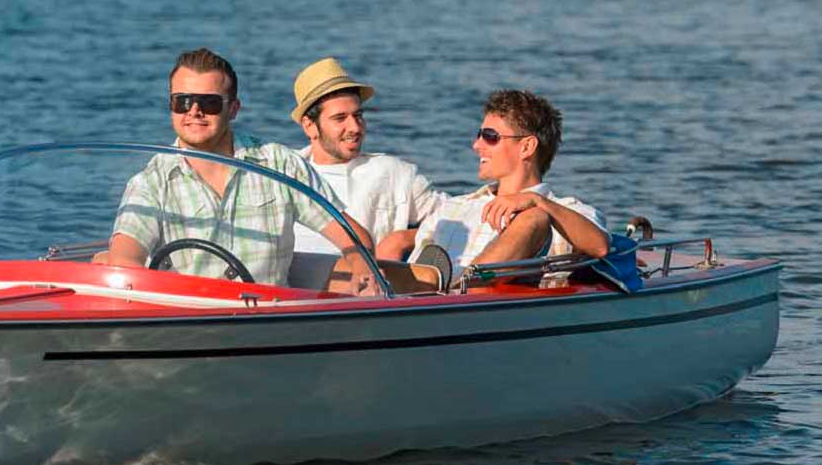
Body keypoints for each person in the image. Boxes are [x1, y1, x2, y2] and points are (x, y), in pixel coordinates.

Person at [93, 48, 379, 293]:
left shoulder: (279, 164)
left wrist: (361, 269)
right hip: (187, 322)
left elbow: (352, 236)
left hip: (272, 323)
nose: (194, 111)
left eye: (209, 103)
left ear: (234, 109)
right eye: (182, 101)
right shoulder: (151, 182)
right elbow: (125, 259)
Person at [379, 89, 612, 283]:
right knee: (354, 260)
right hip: (425, 301)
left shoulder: (562, 210)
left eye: (490, 136)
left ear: (526, 147)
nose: (476, 145)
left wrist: (538, 202)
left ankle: (464, 288)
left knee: (534, 219)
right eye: (479, 135)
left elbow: (600, 247)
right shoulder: (454, 207)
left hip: (486, 306)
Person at [288, 57, 447, 257]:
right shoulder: (283, 173)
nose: (355, 127)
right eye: (340, 118)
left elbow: (457, 218)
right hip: (290, 285)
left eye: (358, 116)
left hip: (364, 285)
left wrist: (402, 240)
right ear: (309, 126)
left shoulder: (394, 173)